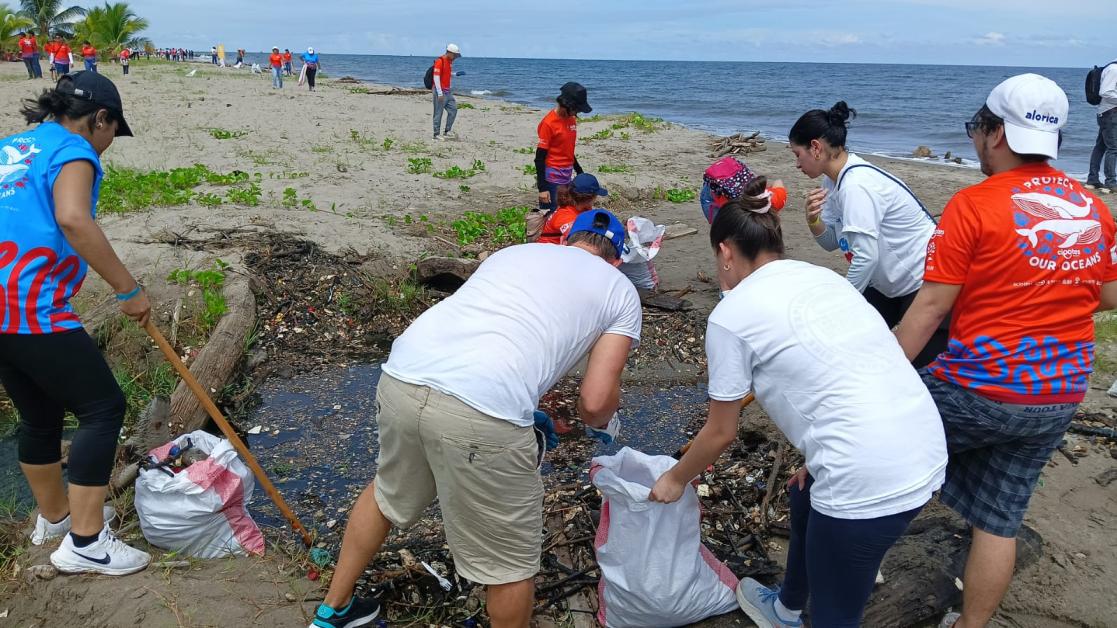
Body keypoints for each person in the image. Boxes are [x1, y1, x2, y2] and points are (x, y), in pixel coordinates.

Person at [310, 209, 641, 628]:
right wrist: (603, 423)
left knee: (387, 494)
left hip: (403, 374)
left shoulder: (514, 253)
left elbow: (488, 331)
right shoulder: (620, 290)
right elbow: (594, 402)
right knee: (510, 563)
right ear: (617, 260)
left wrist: (525, 409)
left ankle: (333, 610)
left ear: (565, 239)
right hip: (481, 407)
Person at [649, 197, 947, 628]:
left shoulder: (731, 316)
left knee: (834, 613)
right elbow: (850, 369)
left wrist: (675, 479)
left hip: (869, 476)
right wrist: (820, 457)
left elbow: (720, 432)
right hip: (924, 441)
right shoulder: (822, 276)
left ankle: (809, 612)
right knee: (803, 494)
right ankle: (786, 609)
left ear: (725, 251)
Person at [894, 74, 1117, 628]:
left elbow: (929, 310)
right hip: (1060, 393)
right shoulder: (1091, 206)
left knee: (875, 464)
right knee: (999, 521)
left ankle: (820, 598)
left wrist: (876, 387)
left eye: (977, 128)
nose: (974, 139)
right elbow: (1109, 293)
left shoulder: (973, 204)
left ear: (995, 133)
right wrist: (1051, 292)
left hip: (978, 387)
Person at [2, 71, 151, 576]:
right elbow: (73, 218)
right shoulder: (74, 150)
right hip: (30, 303)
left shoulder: (11, 147)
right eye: (113, 131)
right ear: (99, 118)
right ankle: (87, 542)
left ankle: (56, 519)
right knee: (103, 408)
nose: (109, 143)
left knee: (39, 415)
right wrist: (128, 289)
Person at [789, 101, 945, 368]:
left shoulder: (857, 186)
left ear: (815, 147)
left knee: (912, 368)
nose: (796, 164)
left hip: (923, 283)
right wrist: (813, 220)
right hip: (888, 284)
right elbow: (832, 243)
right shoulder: (832, 181)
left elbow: (866, 258)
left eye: (797, 154)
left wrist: (841, 302)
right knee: (848, 343)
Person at [700, 156, 787, 224]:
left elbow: (778, 182)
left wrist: (767, 188)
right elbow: (778, 182)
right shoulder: (775, 200)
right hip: (721, 185)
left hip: (722, 185)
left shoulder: (775, 199)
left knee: (720, 226)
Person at [538, 173, 607, 244]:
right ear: (590, 199)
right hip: (548, 247)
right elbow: (578, 240)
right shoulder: (565, 216)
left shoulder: (582, 206)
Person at [1086, 57, 1117, 194]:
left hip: (1107, 113)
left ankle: (1092, 179)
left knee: (1100, 147)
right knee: (1113, 148)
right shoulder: (1114, 69)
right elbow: (1105, 92)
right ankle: (1110, 182)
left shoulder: (1112, 67)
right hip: (1110, 113)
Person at [431, 43, 464, 141]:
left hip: (447, 91)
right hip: (439, 91)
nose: (456, 57)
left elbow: (446, 73)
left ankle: (447, 131)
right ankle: (436, 134)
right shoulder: (439, 61)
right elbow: (436, 77)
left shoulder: (449, 62)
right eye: (455, 55)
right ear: (449, 52)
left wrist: (455, 74)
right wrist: (439, 92)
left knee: (453, 110)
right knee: (438, 113)